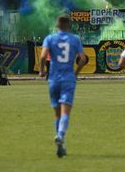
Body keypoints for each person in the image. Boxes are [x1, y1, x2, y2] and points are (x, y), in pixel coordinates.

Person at [39, 15, 88, 158]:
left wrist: (42, 70)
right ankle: (60, 135)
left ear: (57, 25)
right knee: (65, 111)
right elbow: (83, 58)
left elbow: (42, 57)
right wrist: (76, 72)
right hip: (68, 78)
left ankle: (61, 144)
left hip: (53, 79)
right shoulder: (75, 39)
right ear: (69, 25)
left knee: (57, 113)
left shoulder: (49, 38)